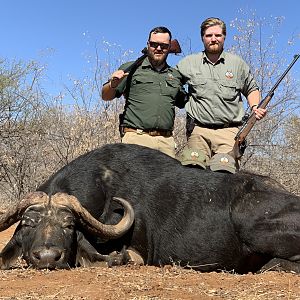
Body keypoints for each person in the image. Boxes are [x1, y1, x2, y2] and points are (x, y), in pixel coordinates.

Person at [176, 17, 267, 173]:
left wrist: (254, 107)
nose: (213, 39)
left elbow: (251, 88)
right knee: (194, 177)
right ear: (202, 38)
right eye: (209, 35)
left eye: (218, 35)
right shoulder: (188, 63)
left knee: (225, 181)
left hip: (229, 133)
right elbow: (171, 82)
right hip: (198, 132)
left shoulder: (237, 64)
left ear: (224, 37)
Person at [101, 26, 187, 158]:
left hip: (166, 142)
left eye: (163, 45)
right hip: (136, 139)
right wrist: (112, 84)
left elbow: (184, 102)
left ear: (170, 47)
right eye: (154, 44)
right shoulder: (131, 68)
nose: (158, 48)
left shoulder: (175, 75)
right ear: (148, 44)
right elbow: (106, 96)